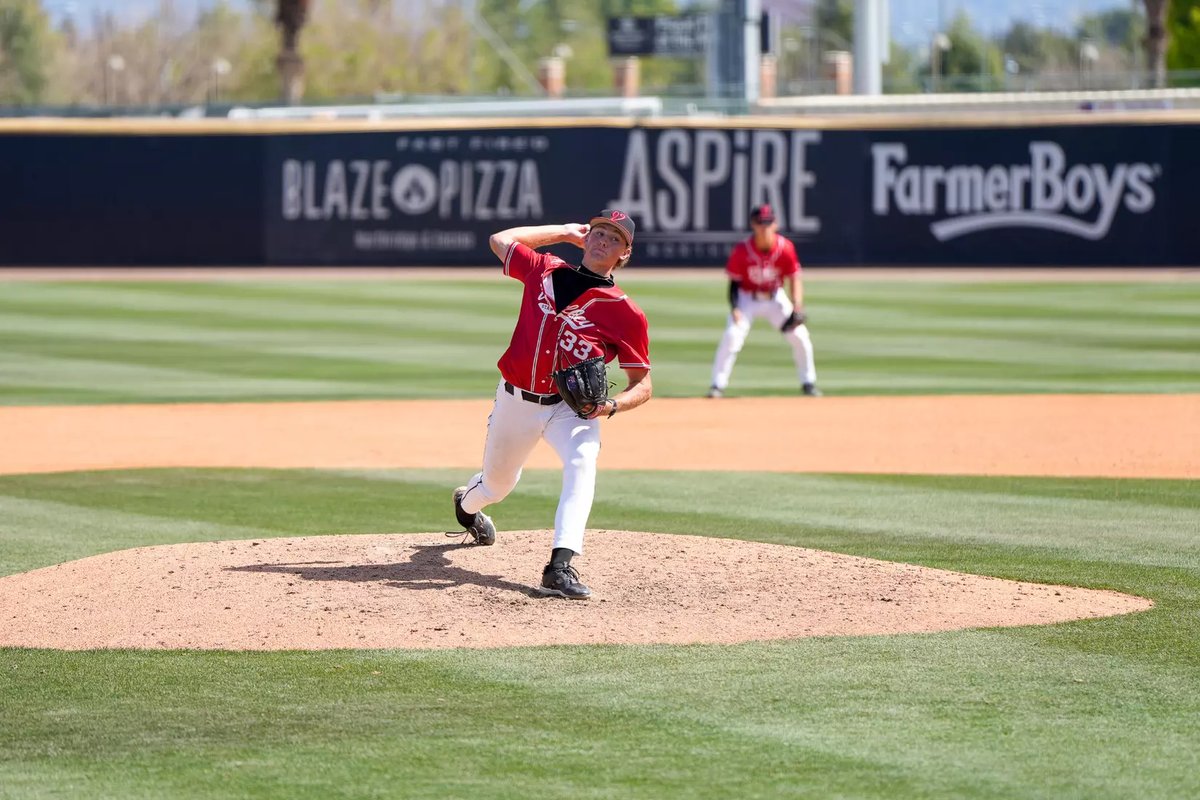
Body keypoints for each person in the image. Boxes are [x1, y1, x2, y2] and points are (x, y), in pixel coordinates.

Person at [451, 210, 653, 600]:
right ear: (585, 237)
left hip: (569, 409)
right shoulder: (544, 269)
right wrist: (562, 232)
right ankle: (467, 504)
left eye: (614, 238)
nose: (602, 241)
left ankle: (559, 565)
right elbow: (500, 240)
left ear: (625, 254)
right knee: (497, 484)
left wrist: (610, 406)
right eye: (598, 232)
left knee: (583, 460)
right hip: (516, 400)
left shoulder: (626, 312)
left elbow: (643, 383)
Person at [707, 203, 820, 398]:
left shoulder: (785, 248)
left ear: (775, 224)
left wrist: (797, 306)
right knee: (732, 335)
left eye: (768, 222)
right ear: (753, 224)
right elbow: (734, 283)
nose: (764, 227)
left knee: (800, 336)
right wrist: (735, 307)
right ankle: (717, 385)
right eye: (760, 223)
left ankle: (808, 383)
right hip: (746, 299)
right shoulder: (742, 250)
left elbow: (794, 278)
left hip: (775, 298)